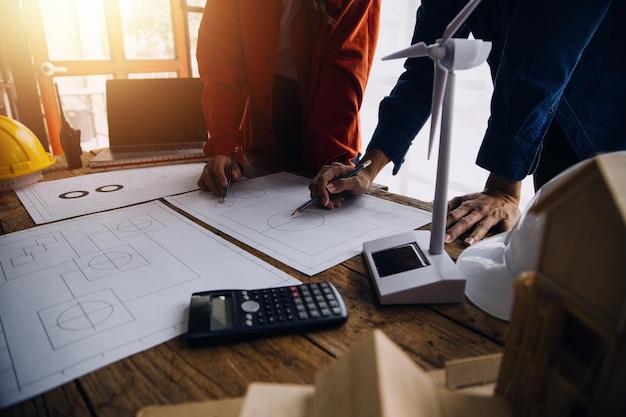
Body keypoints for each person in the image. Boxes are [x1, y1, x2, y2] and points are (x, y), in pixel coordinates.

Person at [310, 0, 626, 245]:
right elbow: (426, 64)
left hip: (606, 123)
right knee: (560, 260)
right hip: (540, 115)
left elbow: (540, 59)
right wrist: (368, 167)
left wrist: (503, 187)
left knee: (598, 266)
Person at [196, 0, 380, 197]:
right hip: (262, 122)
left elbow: (344, 71)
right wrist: (225, 142)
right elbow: (220, 64)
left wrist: (336, 157)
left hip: (331, 123)